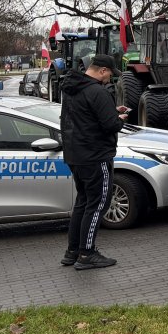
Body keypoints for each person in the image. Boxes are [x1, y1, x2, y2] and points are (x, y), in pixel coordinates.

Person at [59, 54, 127, 270]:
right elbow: (110, 126)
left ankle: (72, 251)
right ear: (102, 71)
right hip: (95, 155)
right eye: (109, 74)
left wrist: (109, 112)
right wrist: (119, 119)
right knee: (98, 204)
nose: (109, 79)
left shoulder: (71, 89)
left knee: (83, 202)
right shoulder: (98, 91)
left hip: (74, 154)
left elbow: (84, 117)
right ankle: (87, 254)